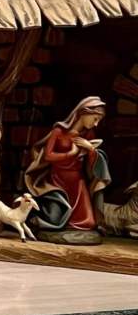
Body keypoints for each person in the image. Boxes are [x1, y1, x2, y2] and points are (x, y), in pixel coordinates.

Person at [25, 96, 112, 237]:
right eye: (95, 119)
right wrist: (70, 154)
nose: (96, 124)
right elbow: (48, 156)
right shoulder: (59, 131)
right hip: (57, 181)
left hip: (77, 182)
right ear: (84, 113)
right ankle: (36, 219)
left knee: (88, 222)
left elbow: (91, 165)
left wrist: (91, 150)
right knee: (54, 218)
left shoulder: (88, 134)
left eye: (99, 121)